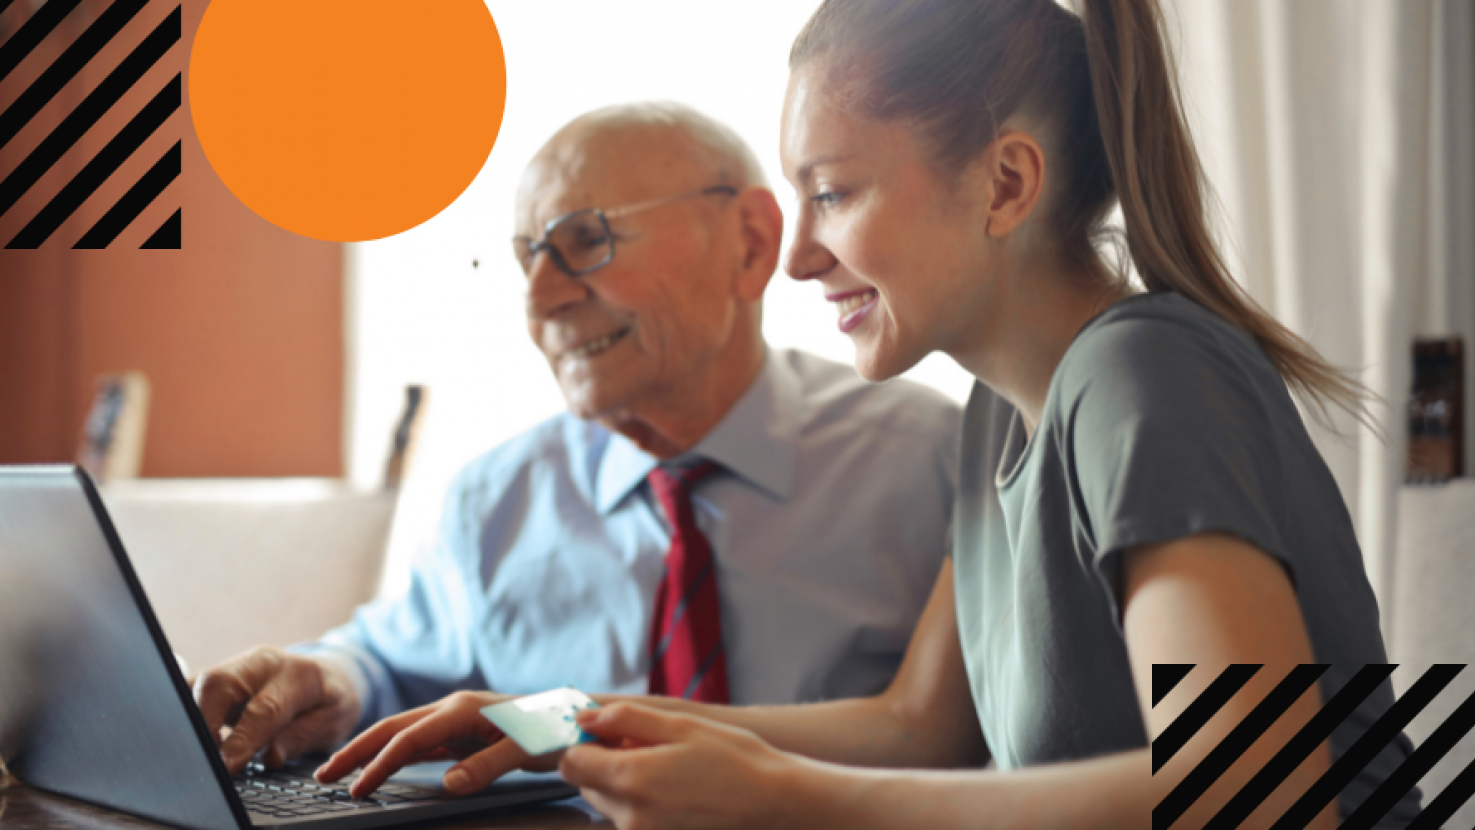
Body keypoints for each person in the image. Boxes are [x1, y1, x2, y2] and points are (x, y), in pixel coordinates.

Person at [317, 1, 1423, 828]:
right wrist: (551, 719)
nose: (796, 256)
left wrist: (782, 797)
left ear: (1002, 186)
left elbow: (1254, 782)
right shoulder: (1000, 414)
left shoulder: (1140, 378)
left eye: (833, 193)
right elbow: (915, 723)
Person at [191, 102, 961, 783]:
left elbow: (960, 738)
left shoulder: (932, 461)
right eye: (528, 256)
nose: (540, 299)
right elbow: (391, 661)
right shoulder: (495, 497)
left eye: (584, 240)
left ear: (752, 243)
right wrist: (330, 679)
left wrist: (560, 722)